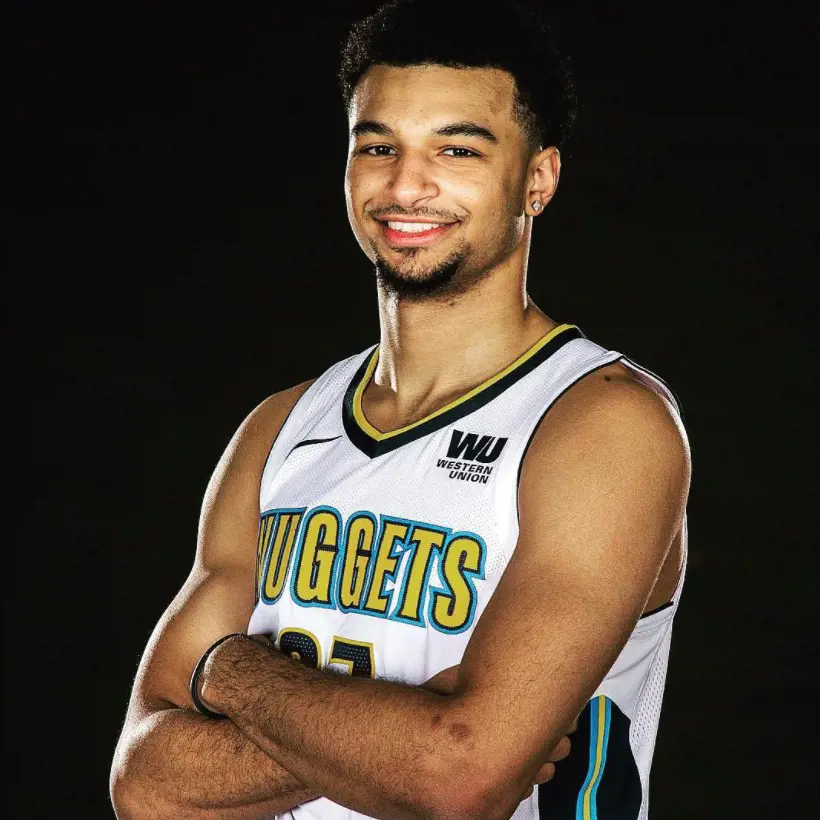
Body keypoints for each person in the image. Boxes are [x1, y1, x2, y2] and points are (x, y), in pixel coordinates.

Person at [110, 2, 691, 818]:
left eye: (456, 149)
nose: (406, 185)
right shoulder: (279, 429)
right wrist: (418, 716)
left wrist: (229, 673)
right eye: (378, 147)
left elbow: (458, 781)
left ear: (538, 178)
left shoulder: (600, 425)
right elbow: (147, 786)